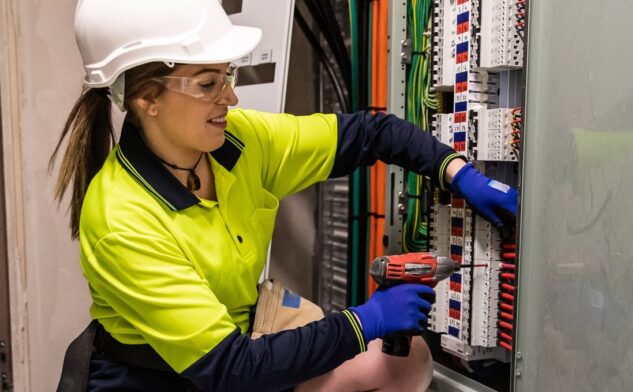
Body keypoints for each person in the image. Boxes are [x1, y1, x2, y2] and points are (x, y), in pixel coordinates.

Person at [53, 0, 518, 391]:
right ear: (145, 98)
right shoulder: (121, 218)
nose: (231, 99)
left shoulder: (235, 142)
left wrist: (458, 173)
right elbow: (228, 368)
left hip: (239, 331)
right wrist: (364, 322)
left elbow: (370, 134)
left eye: (227, 74)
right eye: (207, 83)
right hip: (171, 373)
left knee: (406, 361)